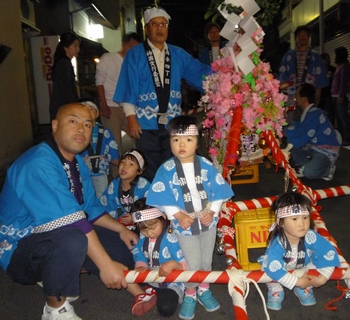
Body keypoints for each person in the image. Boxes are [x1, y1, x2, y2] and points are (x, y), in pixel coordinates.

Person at [0, 103, 157, 319]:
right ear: (54, 126)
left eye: (87, 124)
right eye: (73, 121)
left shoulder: (78, 163)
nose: (81, 129)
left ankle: (61, 272)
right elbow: (71, 220)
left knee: (121, 248)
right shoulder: (38, 163)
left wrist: (120, 229)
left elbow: (89, 207)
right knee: (73, 240)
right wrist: (105, 265)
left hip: (56, 232)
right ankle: (55, 308)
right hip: (19, 248)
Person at [146, 115, 234, 320]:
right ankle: (191, 293)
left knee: (206, 260)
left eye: (188, 139)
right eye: (176, 139)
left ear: (197, 141)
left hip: (207, 222)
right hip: (184, 224)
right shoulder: (166, 169)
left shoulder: (205, 164)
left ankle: (204, 289)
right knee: (192, 262)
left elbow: (218, 190)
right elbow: (161, 193)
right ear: (170, 142)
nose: (181, 145)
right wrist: (176, 214)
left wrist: (212, 211)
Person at [114, 7, 212, 181]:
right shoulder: (135, 55)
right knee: (148, 166)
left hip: (172, 122)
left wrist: (224, 75)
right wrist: (130, 117)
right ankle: (152, 205)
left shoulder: (178, 54)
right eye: (154, 24)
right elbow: (128, 86)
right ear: (146, 28)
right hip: (144, 122)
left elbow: (198, 73)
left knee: (173, 164)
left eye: (163, 24)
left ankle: (172, 203)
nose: (160, 28)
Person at [258, 191, 340, 311]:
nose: (302, 224)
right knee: (266, 269)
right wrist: (297, 281)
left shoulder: (311, 236)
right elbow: (273, 267)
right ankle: (276, 290)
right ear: (281, 222)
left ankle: (304, 286)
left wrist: (323, 277)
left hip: (303, 265)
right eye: (295, 219)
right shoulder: (278, 243)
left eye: (305, 218)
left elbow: (327, 253)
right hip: (280, 268)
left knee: (317, 261)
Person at [131, 198, 186, 317]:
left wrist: (173, 264)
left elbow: (186, 260)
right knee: (123, 273)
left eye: (153, 228)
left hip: (171, 282)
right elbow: (138, 251)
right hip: (150, 275)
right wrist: (141, 265)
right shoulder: (143, 235)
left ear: (164, 217)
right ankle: (150, 293)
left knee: (166, 309)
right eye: (143, 230)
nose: (149, 234)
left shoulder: (172, 236)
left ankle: (150, 294)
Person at [95, 32, 141, 154]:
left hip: (129, 108)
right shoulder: (108, 58)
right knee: (114, 144)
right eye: (131, 46)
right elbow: (99, 82)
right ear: (123, 44)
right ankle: (116, 173)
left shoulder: (135, 64)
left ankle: (139, 167)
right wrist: (104, 105)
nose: (133, 50)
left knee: (139, 137)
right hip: (111, 106)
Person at [284, 83, 340, 180]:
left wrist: (287, 130)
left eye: (297, 95)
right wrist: (289, 123)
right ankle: (306, 164)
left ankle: (327, 169)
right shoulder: (310, 112)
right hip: (313, 146)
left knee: (309, 173)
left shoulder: (315, 113)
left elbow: (304, 133)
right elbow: (301, 128)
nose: (295, 97)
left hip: (325, 150)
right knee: (291, 140)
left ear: (304, 99)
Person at [279, 25, 328, 112]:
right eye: (300, 35)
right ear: (295, 38)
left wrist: (318, 94)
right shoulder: (288, 55)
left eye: (305, 35)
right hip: (292, 93)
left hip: (309, 93)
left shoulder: (315, 56)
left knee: (308, 117)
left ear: (309, 37)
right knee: (291, 117)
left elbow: (320, 76)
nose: (302, 37)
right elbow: (283, 73)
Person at [100, 149, 150, 227]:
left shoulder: (144, 185)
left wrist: (135, 217)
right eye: (123, 162)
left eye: (131, 164)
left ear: (139, 171)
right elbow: (106, 204)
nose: (125, 166)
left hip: (142, 224)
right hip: (121, 223)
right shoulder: (115, 184)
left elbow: (151, 207)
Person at [79, 100, 119, 197]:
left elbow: (111, 144)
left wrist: (114, 157)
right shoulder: (78, 131)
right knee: (85, 191)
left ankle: (102, 208)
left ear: (97, 113)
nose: (88, 111)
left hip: (101, 167)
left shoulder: (104, 131)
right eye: (84, 109)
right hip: (83, 166)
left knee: (102, 192)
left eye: (91, 109)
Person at [49, 32, 80, 121]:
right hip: (64, 108)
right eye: (75, 46)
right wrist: (75, 106)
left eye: (78, 46)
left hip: (61, 106)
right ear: (66, 47)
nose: (78, 49)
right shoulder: (64, 64)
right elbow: (66, 89)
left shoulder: (63, 62)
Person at [331, 46, 350, 146]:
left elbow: (344, 81)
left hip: (339, 95)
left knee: (343, 118)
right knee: (339, 118)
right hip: (335, 94)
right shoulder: (341, 66)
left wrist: (341, 95)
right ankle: (342, 137)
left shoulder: (345, 66)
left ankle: (347, 138)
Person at [319, 52, 336, 125]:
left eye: (328, 59)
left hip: (330, 94)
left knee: (330, 113)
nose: (328, 61)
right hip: (321, 94)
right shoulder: (319, 70)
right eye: (326, 59)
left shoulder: (332, 69)